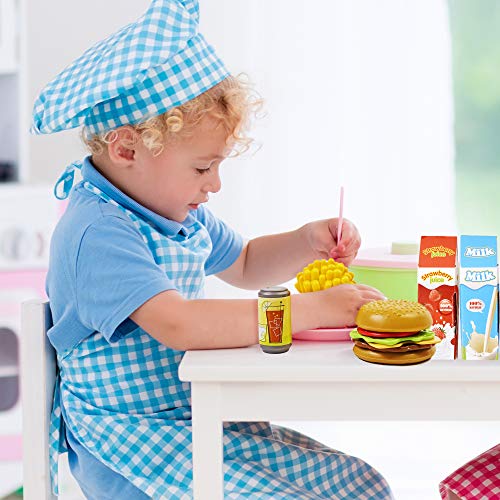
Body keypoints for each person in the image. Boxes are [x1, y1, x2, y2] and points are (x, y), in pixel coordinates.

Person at [32, 1, 393, 498]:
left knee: (359, 486)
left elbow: (244, 263)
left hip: (192, 418)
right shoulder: (98, 231)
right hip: (135, 443)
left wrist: (305, 240)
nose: (215, 184)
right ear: (126, 149)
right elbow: (181, 324)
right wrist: (311, 309)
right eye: (203, 168)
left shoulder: (172, 213)